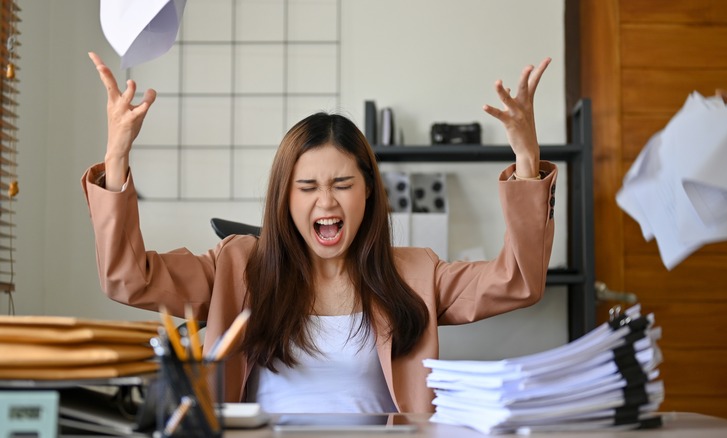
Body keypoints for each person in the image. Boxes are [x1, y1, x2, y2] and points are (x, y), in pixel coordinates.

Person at [82, 52, 558, 413]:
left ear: (368, 191)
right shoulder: (236, 265)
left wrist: (526, 161)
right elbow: (129, 279)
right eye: (307, 187)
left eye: (342, 185)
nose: (326, 202)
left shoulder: (414, 273)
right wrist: (117, 158)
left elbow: (518, 280)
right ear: (284, 198)